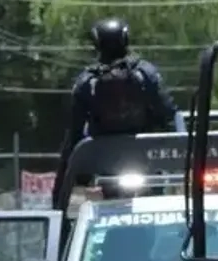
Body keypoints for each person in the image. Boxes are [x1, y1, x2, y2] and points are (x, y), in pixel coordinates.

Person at [52, 18, 179, 203]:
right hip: (147, 158)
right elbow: (169, 114)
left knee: (111, 207)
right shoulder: (146, 73)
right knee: (154, 202)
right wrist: (180, 157)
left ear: (97, 43)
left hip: (107, 163)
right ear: (125, 39)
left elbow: (74, 134)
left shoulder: (86, 82)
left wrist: (60, 192)